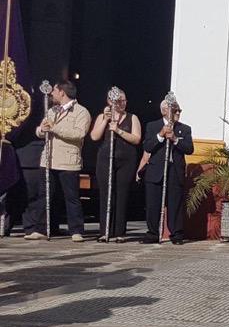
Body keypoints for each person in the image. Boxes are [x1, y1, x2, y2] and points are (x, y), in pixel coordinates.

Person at [23, 80, 91, 242]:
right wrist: (42, 130)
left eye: (54, 90)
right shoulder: (52, 110)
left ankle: (76, 230)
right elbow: (40, 131)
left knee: (71, 197)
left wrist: (54, 128)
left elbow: (79, 133)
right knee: (44, 195)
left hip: (68, 161)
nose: (52, 93)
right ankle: (41, 228)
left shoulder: (81, 112)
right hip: (48, 159)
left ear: (62, 92)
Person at [90, 88, 142, 243]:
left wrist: (118, 130)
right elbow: (94, 136)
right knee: (106, 193)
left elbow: (136, 138)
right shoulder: (102, 116)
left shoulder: (132, 118)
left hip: (126, 160)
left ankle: (119, 231)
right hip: (105, 159)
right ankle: (105, 231)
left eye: (124, 100)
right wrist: (105, 120)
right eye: (119, 101)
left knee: (121, 194)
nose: (122, 103)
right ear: (110, 101)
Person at [142, 96, 194, 244]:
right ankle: (153, 233)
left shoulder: (184, 129)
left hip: (174, 170)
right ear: (164, 111)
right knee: (153, 203)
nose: (178, 113)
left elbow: (189, 149)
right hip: (156, 170)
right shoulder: (153, 126)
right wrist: (160, 135)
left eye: (179, 110)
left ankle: (176, 234)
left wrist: (175, 139)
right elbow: (147, 147)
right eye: (175, 110)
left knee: (174, 204)